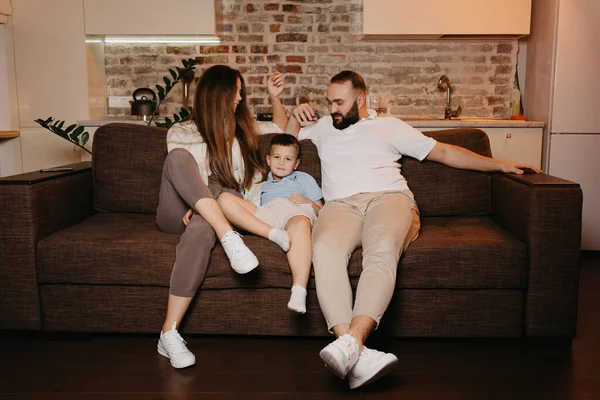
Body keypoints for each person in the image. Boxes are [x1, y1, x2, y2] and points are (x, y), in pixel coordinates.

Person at [285, 70, 541, 389]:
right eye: (329, 102)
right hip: (340, 205)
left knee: (381, 246)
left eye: (339, 102)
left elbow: (445, 152)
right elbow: (286, 146)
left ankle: (352, 340)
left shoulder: (388, 126)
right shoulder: (324, 127)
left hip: (389, 198)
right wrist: (295, 116)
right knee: (323, 250)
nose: (332, 108)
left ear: (360, 99)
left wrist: (502, 164)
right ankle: (354, 350)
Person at [155, 65, 290, 369]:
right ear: (218, 94)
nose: (240, 98)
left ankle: (169, 332)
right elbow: (182, 174)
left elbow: (282, 130)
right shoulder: (180, 131)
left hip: (211, 214)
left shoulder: (244, 129)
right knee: (179, 158)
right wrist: (197, 199)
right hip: (177, 210)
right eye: (236, 92)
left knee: (204, 227)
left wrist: (274, 98)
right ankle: (229, 236)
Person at [217, 133, 324, 314]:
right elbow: (246, 206)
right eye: (277, 157)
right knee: (224, 199)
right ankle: (274, 235)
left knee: (301, 224)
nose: (281, 163)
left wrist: (308, 201)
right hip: (269, 214)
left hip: (296, 210)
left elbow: (322, 211)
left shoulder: (304, 178)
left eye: (288, 159)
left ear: (296, 164)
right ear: (268, 159)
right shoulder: (259, 183)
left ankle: (299, 290)